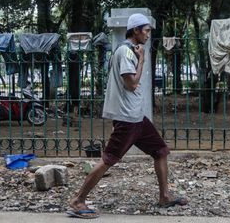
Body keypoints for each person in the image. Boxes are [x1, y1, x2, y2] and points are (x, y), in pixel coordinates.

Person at [67, 13, 187, 219]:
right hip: (127, 119)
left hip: (137, 117)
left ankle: (164, 197)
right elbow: (131, 84)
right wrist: (142, 60)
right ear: (136, 30)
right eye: (147, 30)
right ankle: (78, 200)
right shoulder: (126, 53)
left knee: (160, 151)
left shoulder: (129, 50)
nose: (149, 35)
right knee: (108, 159)